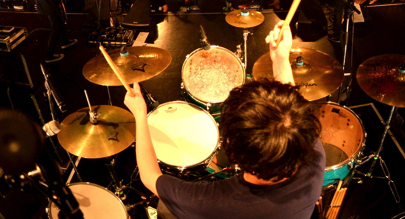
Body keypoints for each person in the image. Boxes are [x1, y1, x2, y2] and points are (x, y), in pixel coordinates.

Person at [124, 20, 324, 219]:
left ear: (232, 150)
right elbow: (290, 112)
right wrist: (280, 60)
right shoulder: (313, 159)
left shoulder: (213, 202)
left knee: (164, 210)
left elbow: (150, 177)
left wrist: (140, 114)